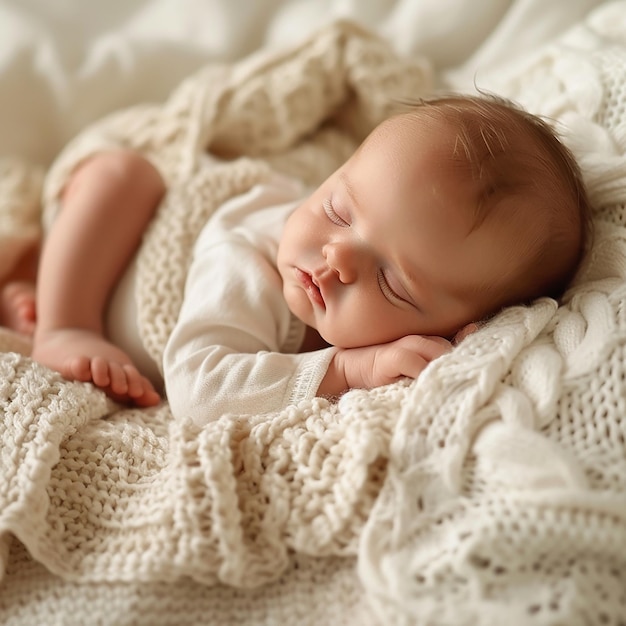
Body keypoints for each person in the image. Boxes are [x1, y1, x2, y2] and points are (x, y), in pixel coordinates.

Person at [0, 94, 592, 423]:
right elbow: (201, 389)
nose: (336, 259)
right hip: (109, 235)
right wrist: (348, 370)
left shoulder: (340, 287)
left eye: (390, 282)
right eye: (338, 210)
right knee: (120, 174)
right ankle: (63, 319)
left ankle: (25, 291)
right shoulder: (249, 264)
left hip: (98, 277)